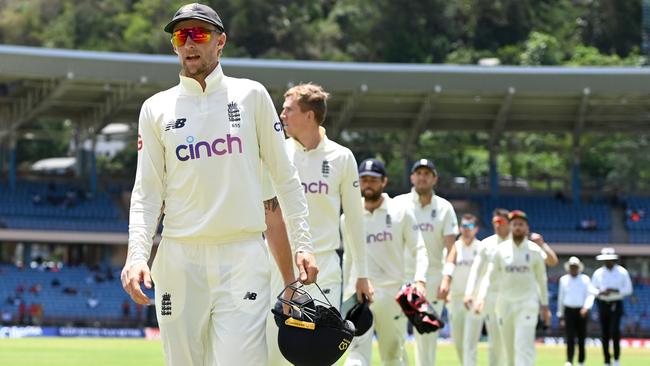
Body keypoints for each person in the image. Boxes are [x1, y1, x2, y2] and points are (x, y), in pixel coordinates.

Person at [120, 4, 316, 365]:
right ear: (174, 45)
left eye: (200, 34)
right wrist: (136, 256)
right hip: (180, 258)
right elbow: (147, 193)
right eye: (182, 35)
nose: (190, 43)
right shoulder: (155, 108)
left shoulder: (252, 96)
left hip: (242, 256)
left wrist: (304, 244)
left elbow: (285, 179)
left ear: (220, 41)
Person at [264, 83, 372, 365]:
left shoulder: (341, 156)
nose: (281, 116)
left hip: (323, 268)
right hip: (277, 266)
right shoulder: (275, 153)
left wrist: (361, 273)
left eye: (288, 110)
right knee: (273, 353)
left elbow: (354, 220)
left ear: (309, 115)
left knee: (318, 355)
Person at [342, 158, 428, 366]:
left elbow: (420, 248)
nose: (368, 184)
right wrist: (343, 295)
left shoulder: (400, 211)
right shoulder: (348, 217)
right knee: (357, 353)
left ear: (384, 182)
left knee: (393, 356)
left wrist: (420, 280)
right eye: (364, 180)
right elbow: (348, 258)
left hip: (392, 295)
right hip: (360, 296)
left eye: (373, 179)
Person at [394, 158, 458, 366]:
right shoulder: (399, 203)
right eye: (418, 173)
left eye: (427, 174)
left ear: (434, 179)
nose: (422, 177)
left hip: (432, 279)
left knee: (427, 338)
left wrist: (447, 278)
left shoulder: (444, 208)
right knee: (396, 335)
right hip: (402, 277)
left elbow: (452, 247)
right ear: (412, 177)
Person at [475, 210, 551, 366]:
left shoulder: (535, 251)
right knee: (508, 351)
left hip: (527, 304)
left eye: (521, 225)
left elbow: (541, 280)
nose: (517, 227)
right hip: (504, 305)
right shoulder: (500, 251)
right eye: (514, 224)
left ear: (526, 228)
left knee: (523, 345)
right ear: (510, 227)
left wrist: (545, 306)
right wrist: (481, 298)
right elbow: (489, 277)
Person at [463, 208, 509, 366]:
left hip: (502, 300)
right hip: (479, 298)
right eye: (495, 222)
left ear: (508, 223)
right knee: (469, 341)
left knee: (497, 344)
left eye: (501, 222)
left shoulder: (514, 244)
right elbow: (476, 270)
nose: (497, 225)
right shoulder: (486, 244)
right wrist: (469, 293)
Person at [448, 214, 483, 366]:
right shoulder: (453, 247)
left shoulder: (481, 248)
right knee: (458, 342)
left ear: (476, 229)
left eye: (469, 227)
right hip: (455, 300)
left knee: (470, 342)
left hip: (473, 300)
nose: (465, 230)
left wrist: (481, 297)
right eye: (463, 226)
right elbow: (447, 272)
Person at [591, 247, 633, 366]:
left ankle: (616, 359)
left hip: (616, 303)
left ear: (613, 259)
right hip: (602, 303)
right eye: (605, 259)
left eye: (609, 259)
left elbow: (628, 289)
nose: (607, 261)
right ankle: (606, 360)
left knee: (615, 331)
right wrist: (600, 292)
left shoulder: (622, 272)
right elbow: (592, 288)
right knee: (604, 333)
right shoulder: (598, 273)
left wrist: (616, 290)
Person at [557, 256, 596, 366]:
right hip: (569, 311)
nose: (573, 268)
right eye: (571, 267)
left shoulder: (585, 279)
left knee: (581, 337)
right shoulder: (564, 280)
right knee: (569, 337)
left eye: (575, 266)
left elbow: (590, 295)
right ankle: (569, 360)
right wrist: (560, 314)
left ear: (578, 267)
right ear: (568, 268)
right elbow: (561, 297)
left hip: (581, 311)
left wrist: (586, 307)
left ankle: (581, 361)